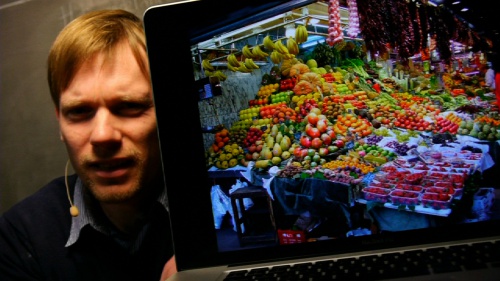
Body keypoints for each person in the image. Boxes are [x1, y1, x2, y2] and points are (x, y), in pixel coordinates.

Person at [0, 9, 176, 281]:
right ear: (60, 121)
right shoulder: (21, 237)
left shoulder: (219, 210)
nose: (103, 135)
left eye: (129, 106)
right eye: (80, 112)